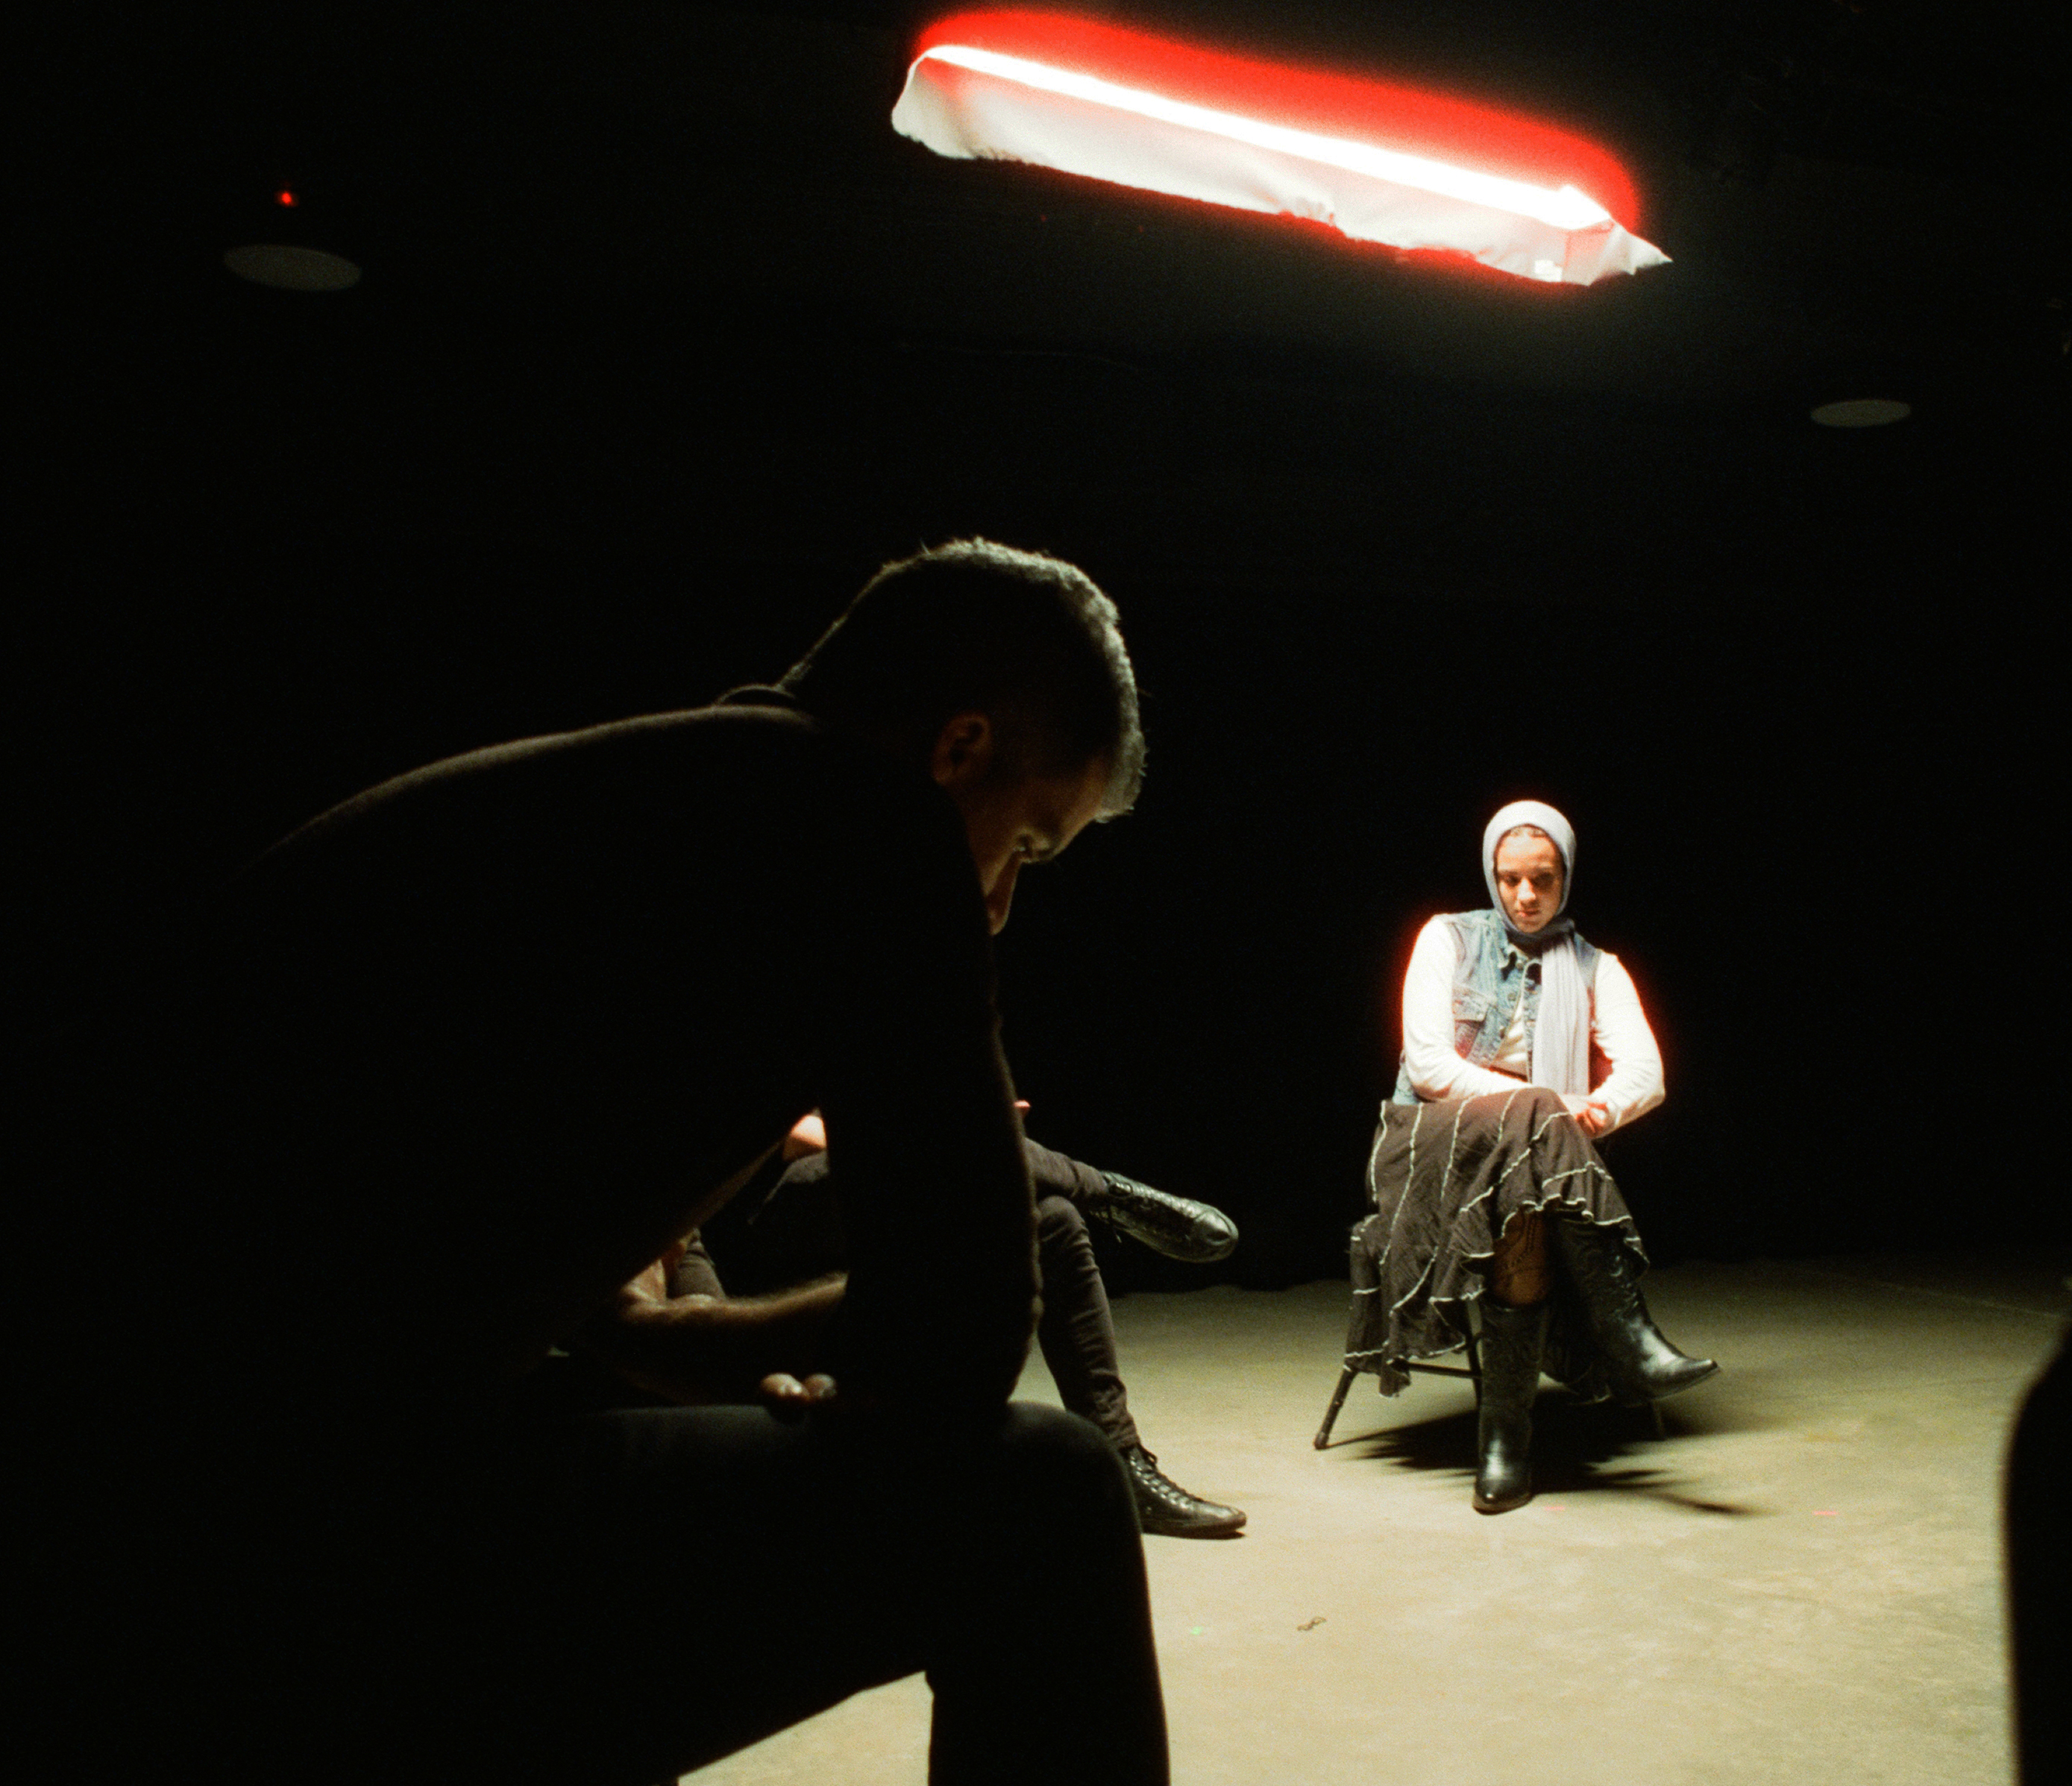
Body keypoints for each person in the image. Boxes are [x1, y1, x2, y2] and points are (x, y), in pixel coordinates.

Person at [116, 540, 1170, 1785]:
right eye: (1029, 844)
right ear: (959, 748)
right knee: (1042, 1500)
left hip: (128, 1500)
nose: (996, 903)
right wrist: (677, 1343)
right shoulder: (873, 823)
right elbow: (961, 1325)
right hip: (259, 1568)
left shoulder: (605, 801)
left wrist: (636, 1337)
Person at [1344, 799, 1715, 1515]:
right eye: (1510, 878)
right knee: (1535, 1118)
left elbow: (1647, 1074)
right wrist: (1546, 1103)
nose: (1524, 894)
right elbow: (1428, 1066)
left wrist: (1594, 1110)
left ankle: (1505, 1442)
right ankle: (1629, 1338)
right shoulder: (1446, 938)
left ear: (1565, 877)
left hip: (1536, 1171)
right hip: (1433, 1144)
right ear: (1491, 874)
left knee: (1529, 1193)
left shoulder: (1597, 968)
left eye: (1542, 878)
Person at [689, 1110, 1249, 1535]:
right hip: (757, 1213)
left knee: (1051, 1219)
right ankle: (1111, 1191)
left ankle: (1120, 1458)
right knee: (951, 1140)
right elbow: (799, 1136)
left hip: (874, 1178)